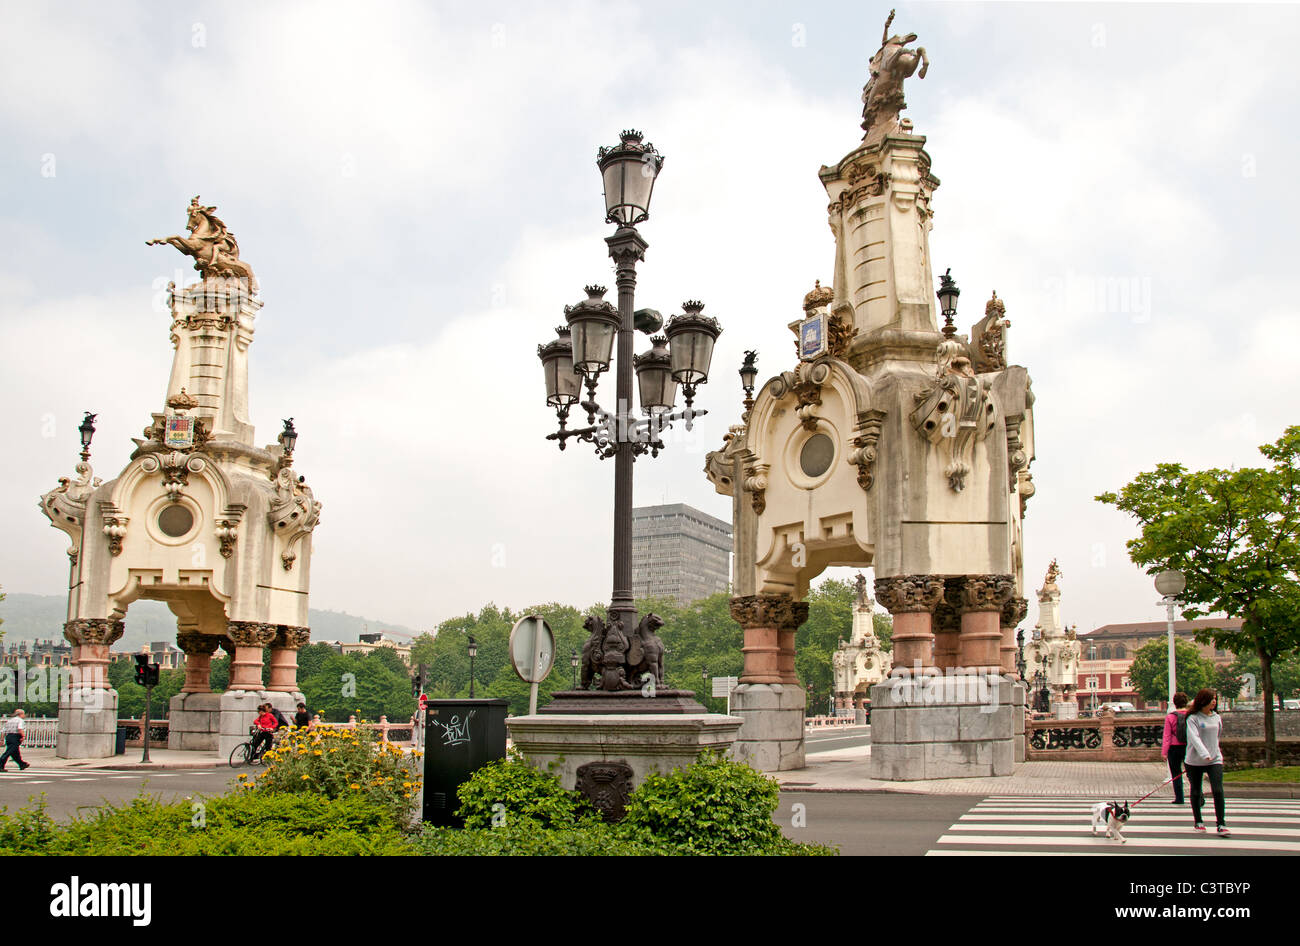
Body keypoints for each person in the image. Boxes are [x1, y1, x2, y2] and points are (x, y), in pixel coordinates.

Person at [1184, 688, 1229, 836]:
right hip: (1195, 760)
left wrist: (1214, 753)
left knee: (1217, 789)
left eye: (1215, 698)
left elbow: (1217, 736)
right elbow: (1194, 738)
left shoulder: (1216, 717)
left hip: (1214, 759)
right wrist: (1204, 753)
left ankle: (1221, 823)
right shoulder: (1193, 718)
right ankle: (1198, 820)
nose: (1214, 701)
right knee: (1196, 790)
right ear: (1203, 701)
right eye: (1211, 699)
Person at [1161, 691, 1189, 804]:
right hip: (1188, 746)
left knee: (1176, 773)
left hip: (1174, 747)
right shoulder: (1190, 715)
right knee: (1192, 773)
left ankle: (1179, 797)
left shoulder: (1171, 717)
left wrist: (1164, 752)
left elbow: (1167, 736)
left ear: (1174, 703)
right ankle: (1198, 795)